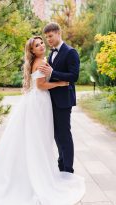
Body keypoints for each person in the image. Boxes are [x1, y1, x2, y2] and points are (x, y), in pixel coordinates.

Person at [0, 35, 85, 205]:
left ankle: (38, 170)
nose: (42, 45)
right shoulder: (40, 62)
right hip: (39, 102)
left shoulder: (43, 59)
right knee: (38, 139)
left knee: (38, 138)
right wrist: (60, 84)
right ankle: (35, 174)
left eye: (42, 42)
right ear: (32, 50)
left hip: (39, 101)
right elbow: (41, 85)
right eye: (37, 45)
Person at [38, 22, 79, 173]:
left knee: (64, 135)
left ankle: (68, 169)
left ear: (58, 34)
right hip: (52, 100)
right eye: (46, 37)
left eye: (50, 36)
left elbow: (74, 76)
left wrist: (52, 73)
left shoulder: (71, 52)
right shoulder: (51, 53)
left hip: (64, 101)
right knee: (57, 135)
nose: (48, 40)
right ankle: (61, 164)